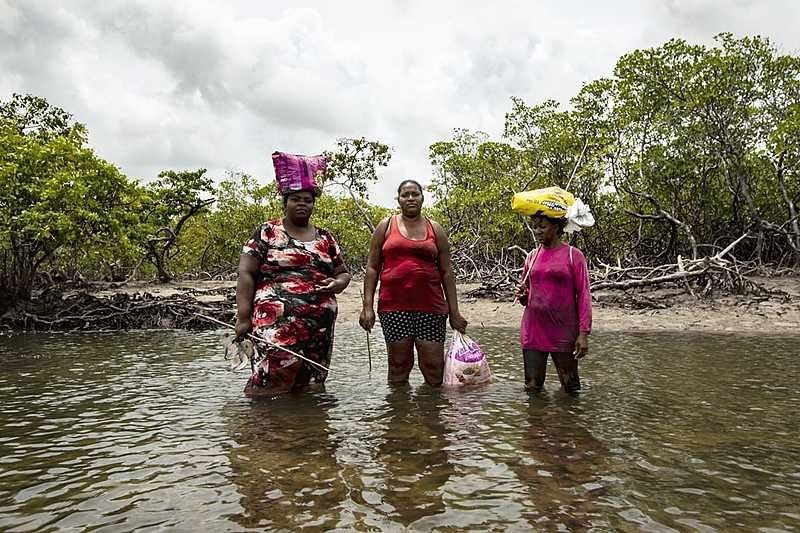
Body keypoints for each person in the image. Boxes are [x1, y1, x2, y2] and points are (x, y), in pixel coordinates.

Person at [235, 179, 351, 396]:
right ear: (285, 202)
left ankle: (303, 429)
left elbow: (343, 272)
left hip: (319, 326)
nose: (302, 204)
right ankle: (259, 427)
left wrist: (337, 284)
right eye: (296, 199)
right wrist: (243, 317)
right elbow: (246, 273)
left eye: (307, 200)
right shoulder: (268, 231)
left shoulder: (325, 237)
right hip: (275, 323)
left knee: (308, 386)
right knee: (269, 381)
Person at [359, 180, 468, 385]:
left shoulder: (435, 229)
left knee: (434, 367)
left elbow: (447, 272)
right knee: (398, 365)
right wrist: (367, 307)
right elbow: (372, 268)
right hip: (393, 307)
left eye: (415, 194)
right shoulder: (386, 226)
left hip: (431, 307)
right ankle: (399, 415)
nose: (410, 198)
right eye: (405, 195)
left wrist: (455, 312)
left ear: (422, 197)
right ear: (398, 199)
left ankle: (431, 414)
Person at [516, 212, 592, 393]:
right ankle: (536, 420)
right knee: (532, 387)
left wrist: (583, 334)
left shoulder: (574, 255)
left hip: (563, 330)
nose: (537, 231)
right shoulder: (532, 256)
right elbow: (526, 293)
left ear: (557, 227)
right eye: (535, 226)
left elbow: (584, 294)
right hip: (533, 330)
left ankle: (569, 421)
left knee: (571, 387)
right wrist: (523, 297)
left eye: (542, 226)